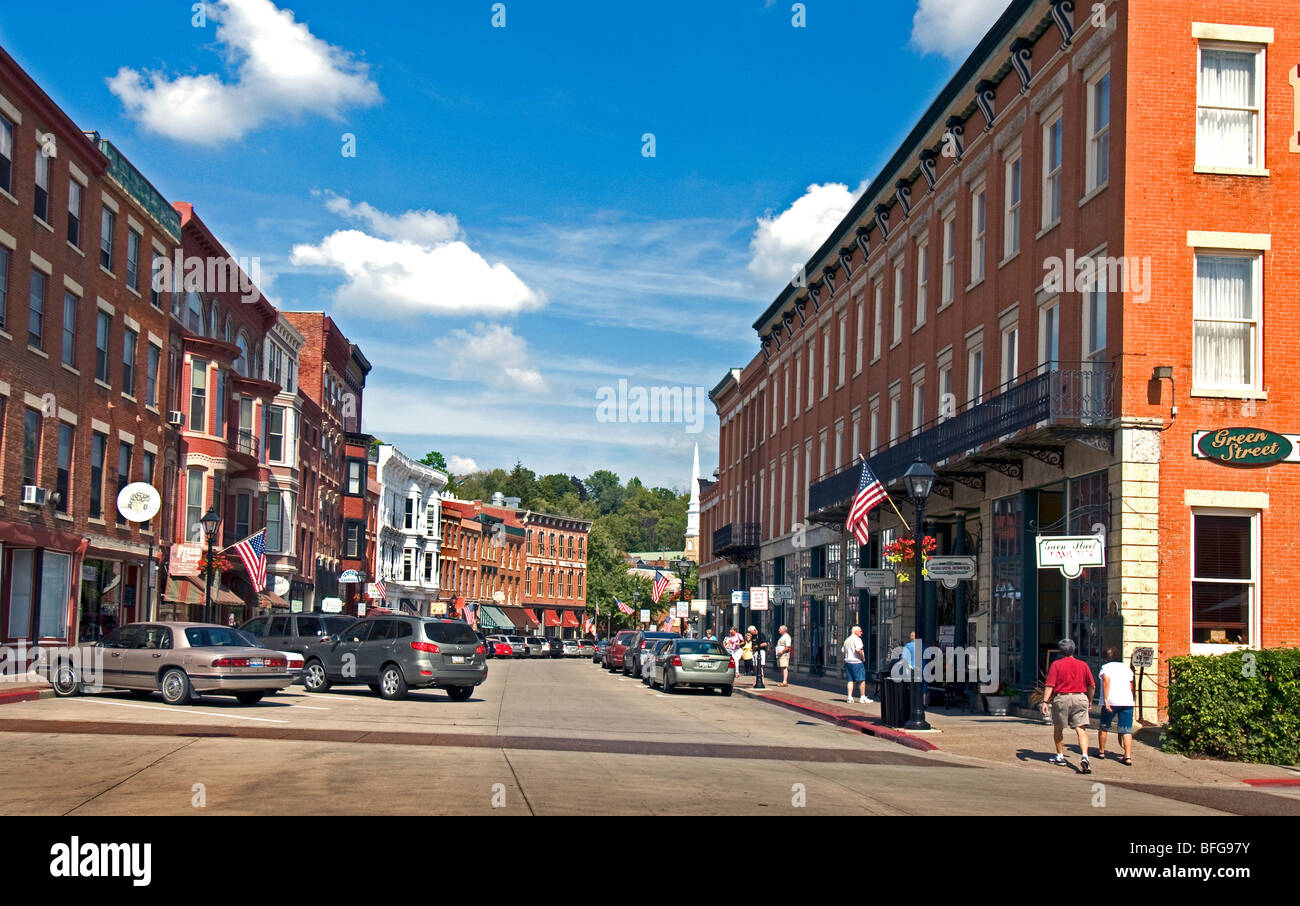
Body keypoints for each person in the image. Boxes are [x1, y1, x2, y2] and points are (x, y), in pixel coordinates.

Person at [1040, 638, 1096, 773]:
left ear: (1060, 651)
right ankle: (1084, 756)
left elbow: (1050, 685)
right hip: (1080, 697)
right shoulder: (1083, 665)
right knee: (1081, 729)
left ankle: (1060, 756)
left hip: (1062, 698)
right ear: (1073, 650)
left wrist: (1045, 701)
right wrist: (1089, 700)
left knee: (1058, 728)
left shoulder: (1056, 665)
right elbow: (1092, 685)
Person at [1098, 647, 1136, 766]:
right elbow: (1131, 687)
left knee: (1104, 726)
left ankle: (1101, 752)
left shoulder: (1106, 668)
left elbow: (1106, 682)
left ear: (1106, 658)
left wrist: (1106, 700)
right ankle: (1127, 756)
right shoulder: (1127, 669)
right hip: (1127, 701)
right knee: (1126, 730)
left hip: (1111, 701)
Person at [843, 625, 871, 704]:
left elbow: (843, 651)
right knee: (861, 680)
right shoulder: (857, 640)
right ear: (856, 632)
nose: (861, 633)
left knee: (850, 680)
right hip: (856, 662)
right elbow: (858, 649)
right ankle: (862, 697)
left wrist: (846, 658)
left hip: (848, 662)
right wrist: (863, 657)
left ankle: (849, 697)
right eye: (860, 631)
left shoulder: (847, 640)